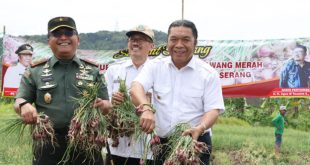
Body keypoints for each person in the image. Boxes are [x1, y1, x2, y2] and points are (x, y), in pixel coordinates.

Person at [14, 16, 112, 165]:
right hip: (49, 142)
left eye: (68, 32)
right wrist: (23, 106)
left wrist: (103, 105)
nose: (63, 37)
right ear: (49, 41)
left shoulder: (93, 70)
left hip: (86, 141)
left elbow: (107, 105)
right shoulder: (35, 71)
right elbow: (19, 100)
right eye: (57, 34)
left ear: (78, 39)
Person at [130, 19, 225, 165]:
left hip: (195, 141)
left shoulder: (208, 74)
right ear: (167, 42)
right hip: (162, 144)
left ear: (195, 43)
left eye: (186, 40)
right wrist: (146, 108)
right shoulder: (155, 66)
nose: (179, 45)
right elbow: (136, 87)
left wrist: (200, 128)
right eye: (174, 39)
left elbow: (213, 109)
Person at [104, 25, 155, 165]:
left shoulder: (159, 71)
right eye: (132, 39)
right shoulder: (114, 70)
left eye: (141, 39)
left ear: (151, 46)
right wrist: (112, 101)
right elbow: (103, 103)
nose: (135, 43)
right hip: (117, 145)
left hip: (147, 147)